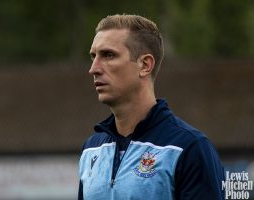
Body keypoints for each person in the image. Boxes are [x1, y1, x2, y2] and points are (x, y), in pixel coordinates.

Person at [78, 14, 225, 200]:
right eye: (93, 56)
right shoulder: (91, 149)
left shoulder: (189, 148)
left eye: (108, 55)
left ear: (145, 65)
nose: (93, 68)